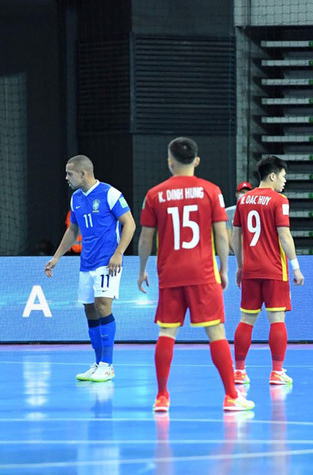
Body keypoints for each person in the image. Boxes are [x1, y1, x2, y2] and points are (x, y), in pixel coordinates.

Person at [137, 137, 254, 412]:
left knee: (167, 333)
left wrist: (142, 270)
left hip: (170, 274)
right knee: (216, 332)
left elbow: (145, 238)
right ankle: (231, 397)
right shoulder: (211, 191)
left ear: (169, 161)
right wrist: (224, 268)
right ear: (197, 161)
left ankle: (162, 397)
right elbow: (221, 236)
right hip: (202, 273)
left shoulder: (154, 195)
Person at [45, 155, 136, 382]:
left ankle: (108, 364)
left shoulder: (109, 193)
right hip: (86, 263)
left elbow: (130, 223)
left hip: (108, 262)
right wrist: (57, 257)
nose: (66, 178)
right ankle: (97, 364)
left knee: (103, 306)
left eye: (69, 174)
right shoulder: (76, 198)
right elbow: (73, 231)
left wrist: (118, 253)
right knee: (90, 311)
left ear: (83, 173)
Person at [231, 156, 304, 386]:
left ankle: (239, 372)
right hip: (274, 270)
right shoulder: (280, 200)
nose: (284, 181)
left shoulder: (243, 201)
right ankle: (277, 372)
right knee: (277, 319)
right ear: (272, 176)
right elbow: (284, 235)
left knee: (246, 320)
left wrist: (240, 266)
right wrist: (296, 267)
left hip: (250, 270)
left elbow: (236, 235)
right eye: (283, 176)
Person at [225, 181, 253, 253]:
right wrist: (237, 253)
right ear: (237, 194)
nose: (244, 194)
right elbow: (227, 234)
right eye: (242, 192)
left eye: (247, 192)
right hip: (231, 255)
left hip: (250, 254)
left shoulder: (254, 212)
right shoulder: (228, 212)